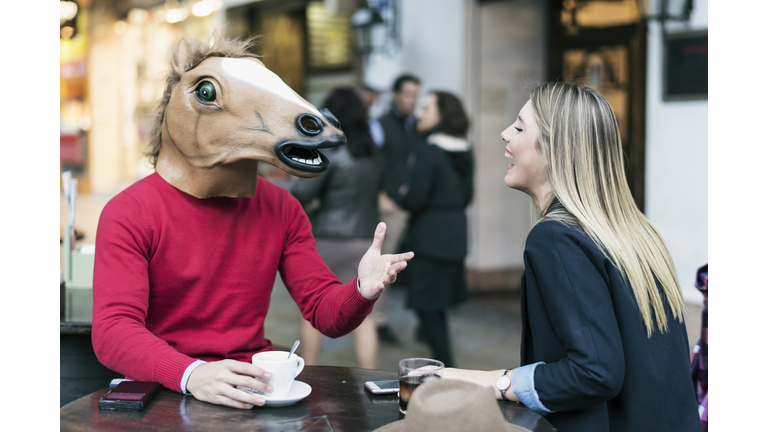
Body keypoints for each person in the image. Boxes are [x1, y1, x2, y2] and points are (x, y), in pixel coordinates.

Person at [92, 35, 413, 411]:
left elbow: (324, 312)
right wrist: (192, 374)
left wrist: (361, 289)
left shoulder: (281, 207)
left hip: (252, 388)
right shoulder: (130, 212)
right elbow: (114, 331)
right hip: (167, 387)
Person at [442, 82, 700, 431]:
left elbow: (595, 372)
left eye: (519, 127)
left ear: (555, 149)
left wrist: (496, 383)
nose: (505, 134)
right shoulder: (637, 233)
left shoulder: (555, 238)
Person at [290, 88, 383, 369]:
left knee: (313, 309)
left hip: (329, 239)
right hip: (366, 240)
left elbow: (302, 192)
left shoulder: (331, 152)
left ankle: (309, 372)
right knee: (365, 313)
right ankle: (368, 376)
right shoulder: (374, 152)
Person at [387, 91, 473, 368]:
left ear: (442, 115)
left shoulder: (429, 150)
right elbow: (467, 196)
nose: (420, 113)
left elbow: (414, 199)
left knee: (428, 306)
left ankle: (445, 369)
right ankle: (440, 361)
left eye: (426, 108)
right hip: (456, 235)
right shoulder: (465, 149)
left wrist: (399, 192)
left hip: (429, 238)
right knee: (437, 305)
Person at [377, 74, 422, 343]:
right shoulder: (381, 125)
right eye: (407, 94)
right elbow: (376, 162)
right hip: (391, 205)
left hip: (413, 205)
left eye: (415, 95)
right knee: (386, 263)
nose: (412, 100)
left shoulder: (415, 125)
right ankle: (378, 321)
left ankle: (422, 321)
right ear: (394, 95)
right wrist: (381, 195)